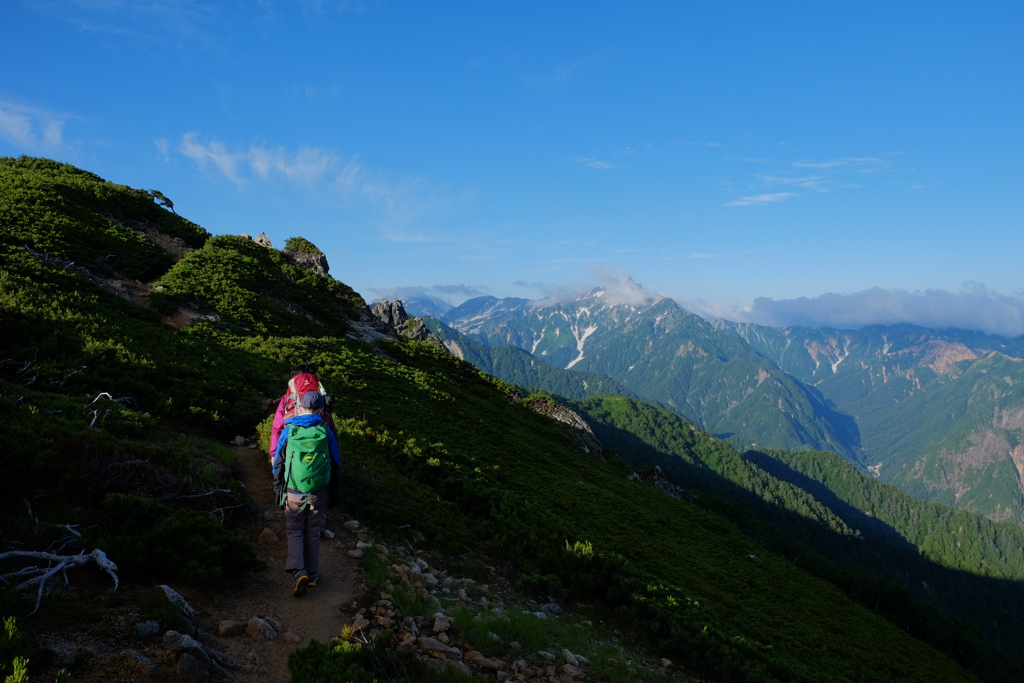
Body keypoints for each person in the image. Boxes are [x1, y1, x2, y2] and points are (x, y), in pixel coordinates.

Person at [272, 390, 340, 597]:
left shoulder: (289, 430)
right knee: (312, 531)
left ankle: (298, 570)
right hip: (318, 491)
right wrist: (334, 493)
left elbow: (279, 464)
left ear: (299, 407)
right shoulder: (326, 432)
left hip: (293, 491)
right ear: (321, 410)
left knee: (294, 530)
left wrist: (277, 490)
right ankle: (311, 574)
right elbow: (335, 464)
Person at [269, 364, 337, 466]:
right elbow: (331, 429)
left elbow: (277, 428)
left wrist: (274, 455)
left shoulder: (288, 398)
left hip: (292, 450)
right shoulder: (321, 398)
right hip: (320, 451)